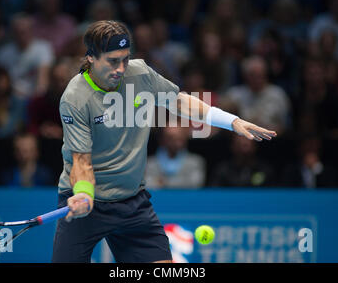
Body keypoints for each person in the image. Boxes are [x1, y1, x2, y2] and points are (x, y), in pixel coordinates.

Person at [51, 20, 277, 263]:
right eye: (112, 61)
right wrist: (84, 194)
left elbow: (179, 101)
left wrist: (230, 121)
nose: (121, 68)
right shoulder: (75, 98)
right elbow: (81, 160)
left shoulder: (140, 73)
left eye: (125, 59)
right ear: (92, 57)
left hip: (131, 202)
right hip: (87, 202)